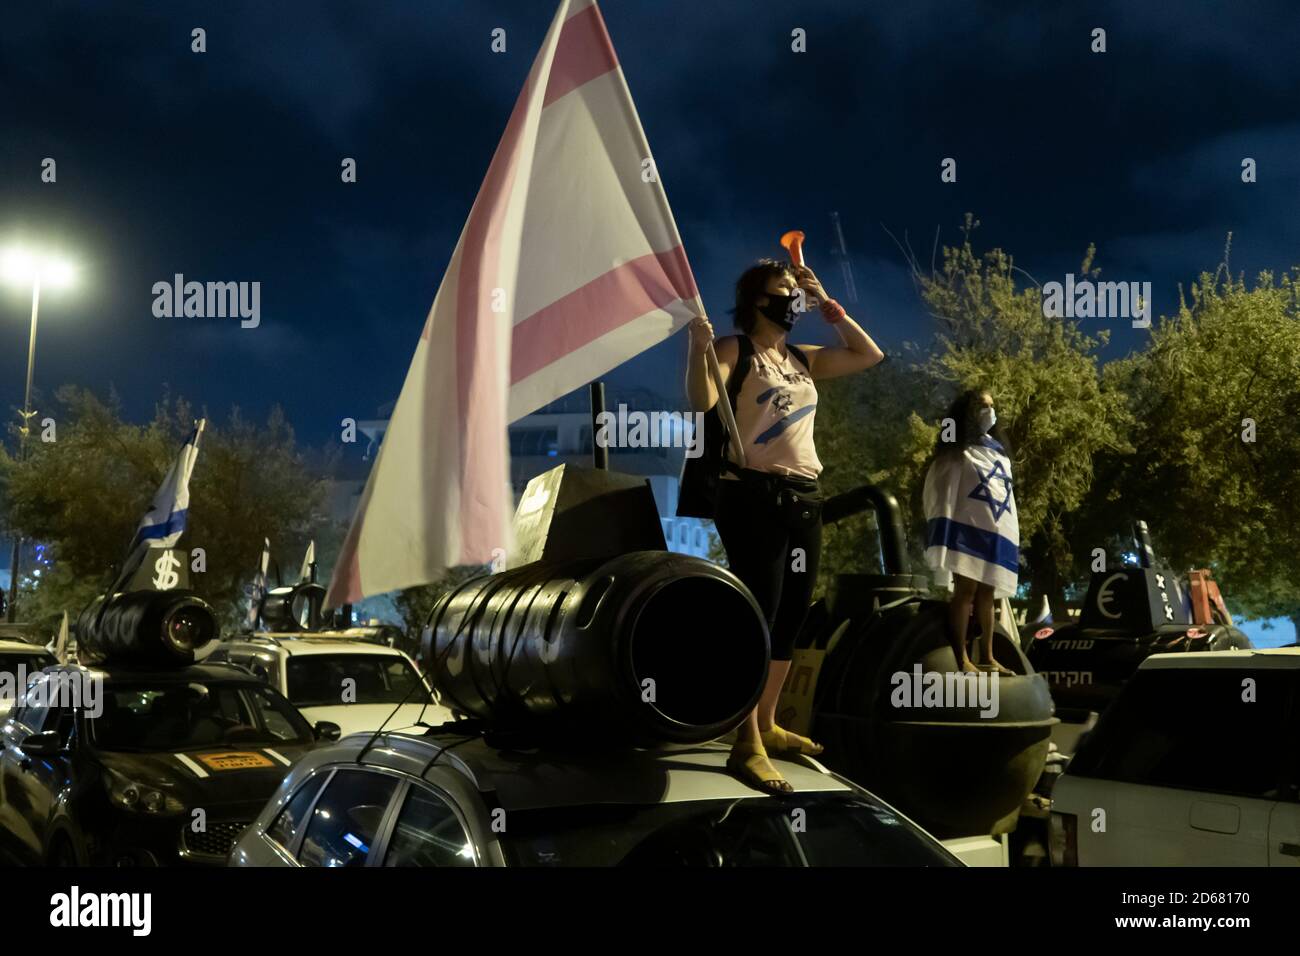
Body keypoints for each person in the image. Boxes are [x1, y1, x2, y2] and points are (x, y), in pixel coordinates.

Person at [686, 258, 885, 793]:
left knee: (793, 614)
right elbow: (703, 399)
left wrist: (828, 306)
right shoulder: (737, 350)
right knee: (759, 611)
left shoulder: (801, 358)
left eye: (796, 292)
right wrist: (697, 348)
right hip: (752, 495)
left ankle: (769, 722)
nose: (792, 299)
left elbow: (870, 355)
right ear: (757, 299)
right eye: (784, 290)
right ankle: (745, 739)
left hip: (803, 495)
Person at [922, 389, 1019, 675]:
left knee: (988, 593)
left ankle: (988, 656)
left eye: (991, 406)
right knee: (966, 591)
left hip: (995, 529)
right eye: (982, 406)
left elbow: (1004, 493)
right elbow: (944, 486)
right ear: (968, 411)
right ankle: (961, 657)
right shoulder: (956, 448)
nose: (988, 412)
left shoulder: (998, 451)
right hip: (967, 529)